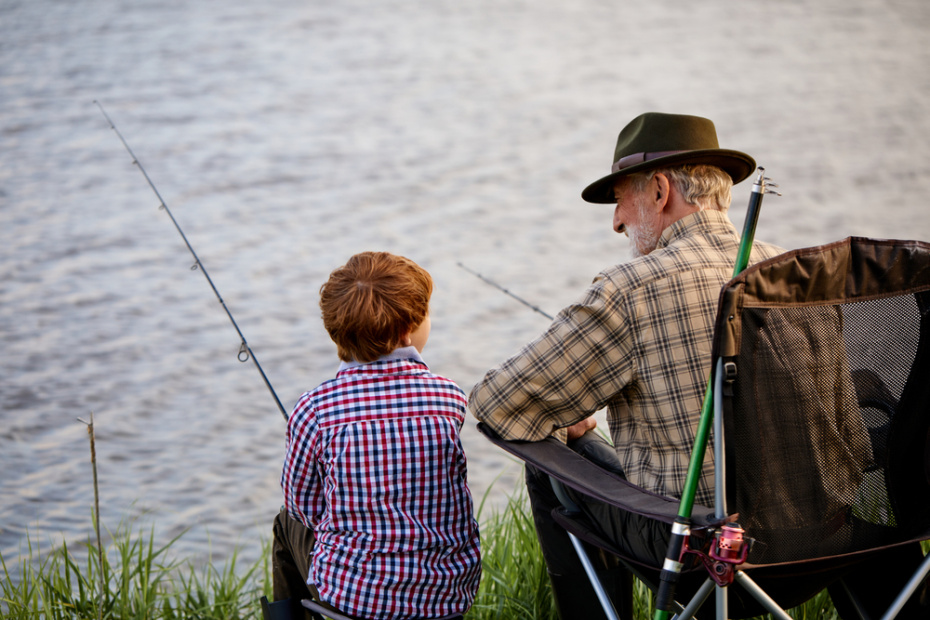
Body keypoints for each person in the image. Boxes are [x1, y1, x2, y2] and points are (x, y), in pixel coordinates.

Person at [468, 112, 785, 618]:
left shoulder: (632, 288)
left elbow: (496, 404)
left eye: (620, 198)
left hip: (698, 548)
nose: (616, 220)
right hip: (812, 543)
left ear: (660, 192)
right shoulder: (793, 272)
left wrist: (564, 417)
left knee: (547, 464)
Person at [267, 251, 481, 620]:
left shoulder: (314, 409)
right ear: (407, 330)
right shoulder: (449, 396)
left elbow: (301, 504)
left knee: (286, 523)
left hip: (355, 601)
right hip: (448, 594)